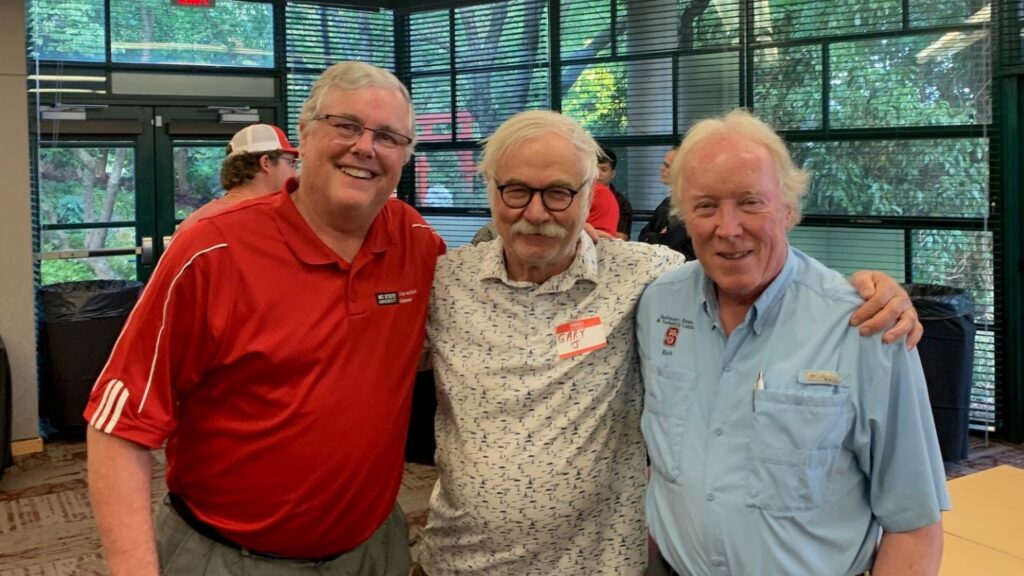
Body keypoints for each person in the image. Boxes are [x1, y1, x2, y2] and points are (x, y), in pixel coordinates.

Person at [415, 110, 922, 575]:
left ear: (591, 195)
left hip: (602, 564)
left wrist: (878, 289)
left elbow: (913, 519)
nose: (537, 211)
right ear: (491, 190)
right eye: (516, 191)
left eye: (559, 192)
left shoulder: (643, 277)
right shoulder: (445, 282)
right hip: (464, 558)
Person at [84, 61, 445, 576]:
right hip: (230, 557)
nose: (365, 146)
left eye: (388, 136)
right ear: (303, 133)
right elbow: (119, 425)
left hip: (373, 548)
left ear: (406, 155)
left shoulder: (413, 240)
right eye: (346, 125)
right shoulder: (212, 250)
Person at [638, 109, 949, 576]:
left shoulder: (865, 325)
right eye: (706, 206)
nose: (728, 228)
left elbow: (914, 524)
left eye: (750, 202)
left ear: (788, 208)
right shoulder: (655, 304)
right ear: (684, 214)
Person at [177, 123, 298, 233]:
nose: (295, 173)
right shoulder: (259, 224)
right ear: (265, 163)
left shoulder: (194, 222)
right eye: (290, 163)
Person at [638, 145, 695, 260]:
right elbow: (642, 238)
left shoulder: (693, 208)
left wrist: (655, 238)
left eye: (667, 166)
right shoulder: (667, 203)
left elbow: (671, 247)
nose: (661, 168)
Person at [598, 144, 634, 240]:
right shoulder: (578, 197)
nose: (597, 174)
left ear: (612, 174)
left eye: (603, 169)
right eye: (594, 168)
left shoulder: (622, 204)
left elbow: (621, 238)